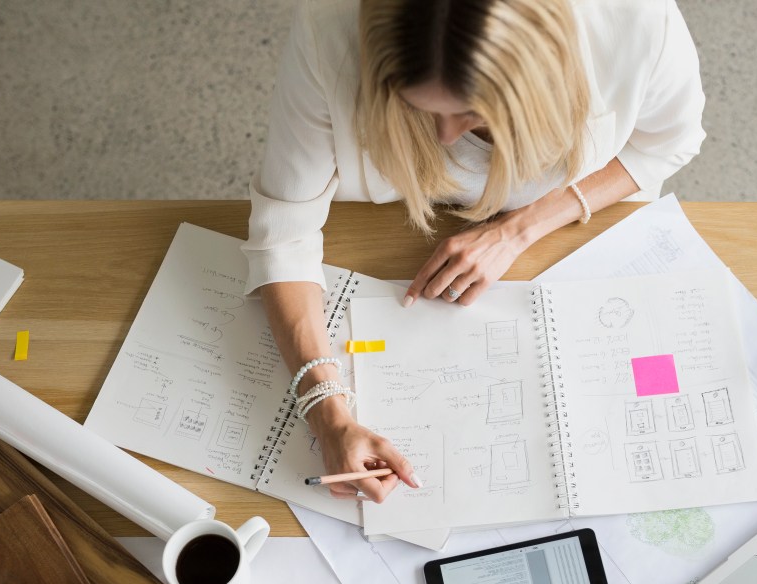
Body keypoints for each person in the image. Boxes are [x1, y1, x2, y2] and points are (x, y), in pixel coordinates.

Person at [244, 0, 705, 503]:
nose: (445, 136)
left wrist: (519, 229)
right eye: (418, 105)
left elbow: (666, 144)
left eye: (472, 112)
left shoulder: (638, 20)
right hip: (382, 229)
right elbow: (284, 234)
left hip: (575, 233)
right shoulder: (327, 29)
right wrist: (329, 413)